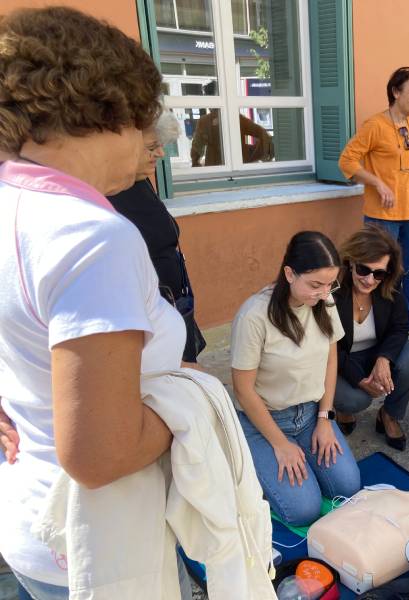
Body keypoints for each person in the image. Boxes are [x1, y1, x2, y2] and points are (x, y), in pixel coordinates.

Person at [0, 7, 192, 599]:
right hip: (100, 547)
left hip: (31, 520)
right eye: (141, 124)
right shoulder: (92, 237)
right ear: (104, 114)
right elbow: (100, 457)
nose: (145, 145)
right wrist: (191, 403)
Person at [231, 232, 361, 526]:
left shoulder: (324, 301)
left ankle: (294, 461)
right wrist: (279, 444)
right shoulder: (254, 316)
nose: (324, 292)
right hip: (264, 420)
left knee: (348, 487)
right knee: (303, 510)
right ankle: (249, 462)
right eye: (315, 284)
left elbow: (331, 359)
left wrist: (325, 420)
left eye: (330, 284)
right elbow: (243, 390)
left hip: (311, 415)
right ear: (289, 273)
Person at [339, 67, 409, 343]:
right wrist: (377, 183)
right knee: (376, 269)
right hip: (382, 214)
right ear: (395, 92)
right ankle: (378, 324)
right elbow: (346, 161)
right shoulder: (374, 126)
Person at [108, 110, 206, 364]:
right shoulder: (107, 192)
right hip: (149, 324)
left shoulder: (139, 180)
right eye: (153, 147)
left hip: (173, 305)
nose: (161, 154)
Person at [332, 226, 409, 451]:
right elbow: (330, 348)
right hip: (339, 360)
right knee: (357, 400)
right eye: (364, 269)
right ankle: (343, 409)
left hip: (375, 353)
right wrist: (359, 380)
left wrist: (384, 359)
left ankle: (389, 414)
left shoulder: (389, 285)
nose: (369, 279)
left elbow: (399, 327)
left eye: (379, 273)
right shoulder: (332, 292)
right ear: (350, 262)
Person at [190, 81, 274, 167]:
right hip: (239, 168)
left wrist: (196, 166)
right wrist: (252, 156)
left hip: (215, 170)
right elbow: (263, 135)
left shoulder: (205, 121)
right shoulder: (237, 118)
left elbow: (196, 150)